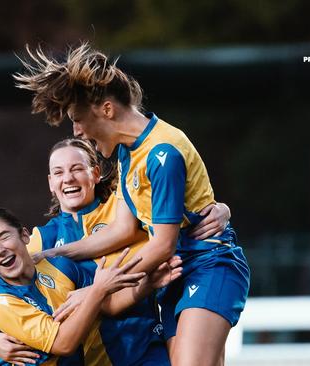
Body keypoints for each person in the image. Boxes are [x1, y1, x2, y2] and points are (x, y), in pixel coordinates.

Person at [14, 44, 251, 366]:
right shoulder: (128, 152)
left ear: (107, 109)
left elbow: (163, 245)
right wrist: (49, 254)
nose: (77, 131)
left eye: (78, 119)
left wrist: (96, 291)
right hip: (176, 273)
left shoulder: (161, 153)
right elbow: (122, 230)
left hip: (208, 264)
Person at [0, 138, 230, 365]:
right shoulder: (43, 240)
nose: (68, 178)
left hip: (144, 348)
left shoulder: (126, 211)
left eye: (77, 168)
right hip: (94, 359)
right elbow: (2, 291)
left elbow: (176, 207)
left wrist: (220, 209)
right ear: (51, 183)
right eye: (59, 172)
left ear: (96, 173)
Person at [0, 207, 182, 365]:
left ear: (24, 235)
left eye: (3, 237)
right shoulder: (1, 301)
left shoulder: (59, 266)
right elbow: (64, 344)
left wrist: (147, 284)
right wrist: (97, 290)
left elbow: (107, 303)